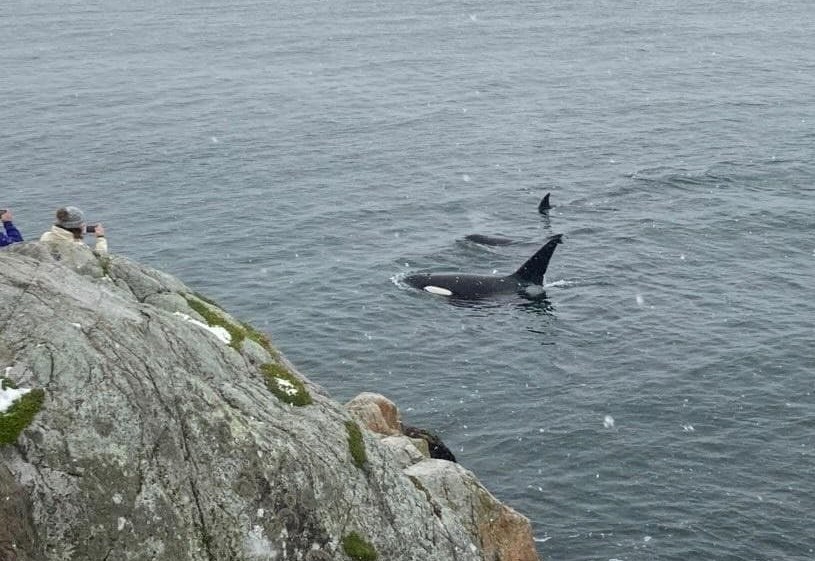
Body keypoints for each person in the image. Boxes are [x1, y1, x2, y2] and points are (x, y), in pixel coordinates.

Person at [40, 206, 107, 253]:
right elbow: (100, 258)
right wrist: (100, 238)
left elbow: (65, 234)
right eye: (81, 223)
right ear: (75, 226)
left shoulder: (46, 236)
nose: (84, 225)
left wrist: (78, 233)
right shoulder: (78, 247)